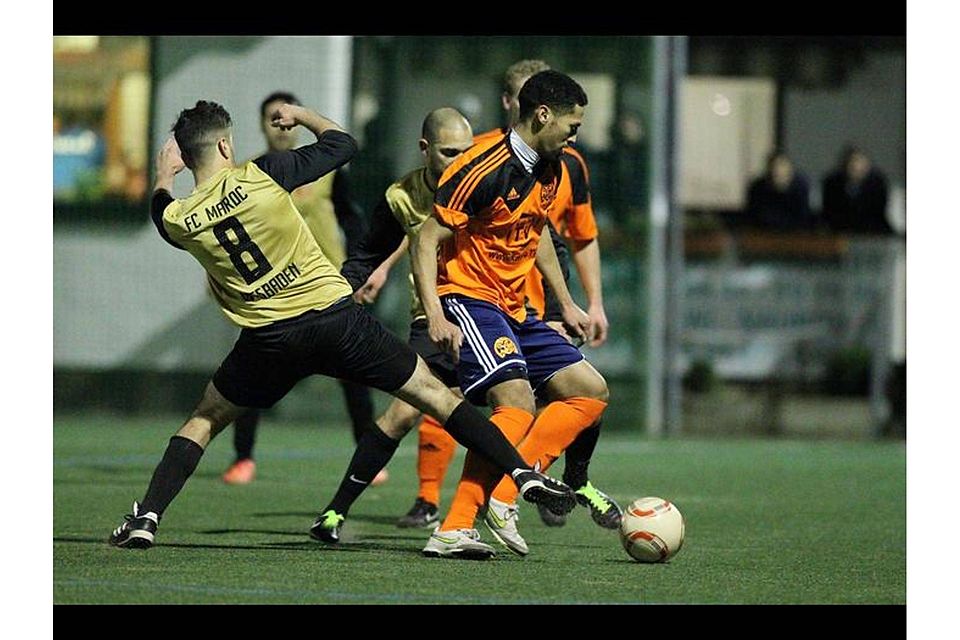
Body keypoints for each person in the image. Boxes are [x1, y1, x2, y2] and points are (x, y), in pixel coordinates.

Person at [107, 99, 575, 549]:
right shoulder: (263, 174)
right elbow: (342, 145)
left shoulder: (179, 218)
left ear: (186, 158)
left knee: (205, 419)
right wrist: (301, 115)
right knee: (432, 395)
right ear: (227, 147)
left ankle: (147, 517)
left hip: (269, 340)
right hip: (335, 320)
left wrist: (163, 177)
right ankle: (521, 473)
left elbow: (160, 212)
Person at [395, 60, 618, 533]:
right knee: (515, 402)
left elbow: (536, 236)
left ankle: (504, 495)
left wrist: (568, 303)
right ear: (542, 116)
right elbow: (426, 239)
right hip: (469, 299)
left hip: (516, 308)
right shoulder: (481, 166)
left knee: (591, 391)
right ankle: (455, 524)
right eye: (572, 125)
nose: (576, 135)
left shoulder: (553, 167)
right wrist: (434, 313)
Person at [221, 91, 384, 487]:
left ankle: (369, 459)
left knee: (355, 375)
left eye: (284, 118)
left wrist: (362, 270)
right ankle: (243, 458)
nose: (279, 126)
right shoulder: (247, 175)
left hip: (330, 286)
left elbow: (352, 219)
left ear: (295, 123)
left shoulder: (325, 169)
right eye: (269, 119)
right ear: (261, 126)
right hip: (275, 294)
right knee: (251, 374)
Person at [821, 145, 892, 234]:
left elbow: (878, 212)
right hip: (840, 230)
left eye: (860, 162)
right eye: (852, 162)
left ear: (868, 165)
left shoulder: (877, 184)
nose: (855, 166)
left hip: (871, 230)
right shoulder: (832, 183)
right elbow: (829, 212)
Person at [745, 151, 814, 230]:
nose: (778, 171)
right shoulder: (758, 188)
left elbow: (803, 217)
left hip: (794, 233)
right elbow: (755, 216)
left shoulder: (800, 187)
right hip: (765, 232)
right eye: (774, 167)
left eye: (782, 166)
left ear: (790, 169)